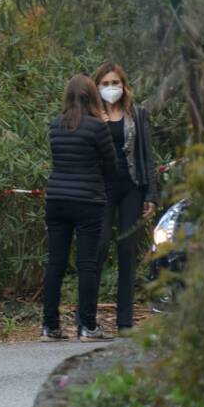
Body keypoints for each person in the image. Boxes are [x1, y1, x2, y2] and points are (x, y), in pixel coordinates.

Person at [41, 74, 117, 342]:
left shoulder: (54, 126)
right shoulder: (98, 128)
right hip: (88, 201)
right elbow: (111, 166)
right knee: (87, 264)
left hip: (57, 200)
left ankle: (50, 326)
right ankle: (87, 326)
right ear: (92, 96)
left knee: (55, 263)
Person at [92, 62, 158, 333]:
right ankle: (87, 318)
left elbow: (147, 156)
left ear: (124, 85)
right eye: (105, 84)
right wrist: (99, 127)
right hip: (101, 189)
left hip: (132, 187)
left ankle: (125, 321)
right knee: (99, 245)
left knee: (127, 249)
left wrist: (151, 195)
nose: (111, 89)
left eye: (115, 83)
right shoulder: (92, 116)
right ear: (97, 87)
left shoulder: (137, 114)